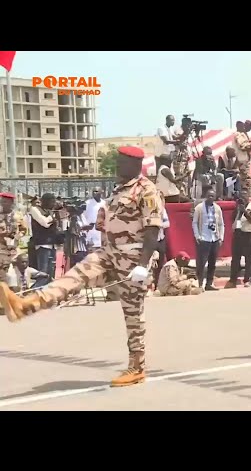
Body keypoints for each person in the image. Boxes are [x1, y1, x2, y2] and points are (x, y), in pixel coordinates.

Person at [0, 146, 164, 387]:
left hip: (132, 260)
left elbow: (152, 231)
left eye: (121, 162)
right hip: (108, 254)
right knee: (74, 276)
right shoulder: (119, 190)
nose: (117, 166)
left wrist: (142, 266)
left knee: (133, 315)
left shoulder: (147, 190)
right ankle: (27, 305)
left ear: (134, 164)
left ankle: (137, 367)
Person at [226, 192, 251, 288]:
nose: (243, 198)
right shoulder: (238, 206)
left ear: (249, 197)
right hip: (238, 234)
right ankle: (233, 280)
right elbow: (233, 219)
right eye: (241, 197)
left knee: (249, 259)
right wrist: (238, 211)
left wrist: (244, 211)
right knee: (235, 259)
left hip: (249, 234)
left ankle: (247, 280)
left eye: (244, 196)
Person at [192, 189, 224, 290]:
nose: (211, 198)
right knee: (201, 263)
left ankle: (209, 283)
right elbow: (195, 223)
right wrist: (197, 236)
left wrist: (221, 237)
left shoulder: (217, 208)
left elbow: (221, 224)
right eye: (209, 196)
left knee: (212, 262)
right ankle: (200, 283)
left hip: (214, 238)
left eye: (212, 196)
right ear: (206, 196)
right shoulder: (199, 208)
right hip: (204, 238)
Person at [29, 193, 60, 278]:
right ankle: (40, 290)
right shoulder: (35, 209)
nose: (54, 204)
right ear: (45, 201)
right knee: (43, 273)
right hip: (42, 244)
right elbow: (45, 223)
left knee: (51, 272)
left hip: (52, 244)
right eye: (52, 202)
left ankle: (49, 290)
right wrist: (52, 215)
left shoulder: (50, 211)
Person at [232, 120, 251, 196]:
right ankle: (246, 195)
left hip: (244, 160)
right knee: (246, 179)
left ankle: (246, 194)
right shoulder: (238, 134)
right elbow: (242, 145)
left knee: (246, 179)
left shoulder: (242, 134)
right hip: (242, 160)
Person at [0, 192, 25, 282]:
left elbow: (23, 230)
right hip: (1, 248)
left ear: (11, 203)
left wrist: (17, 237)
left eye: (6, 202)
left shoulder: (17, 215)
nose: (3, 204)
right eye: (2, 202)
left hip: (14, 246)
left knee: (19, 267)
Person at [82, 187, 106, 251]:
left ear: (101, 192)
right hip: (91, 230)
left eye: (96, 191)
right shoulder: (87, 203)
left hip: (100, 229)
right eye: (93, 191)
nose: (95, 193)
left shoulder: (104, 203)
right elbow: (83, 215)